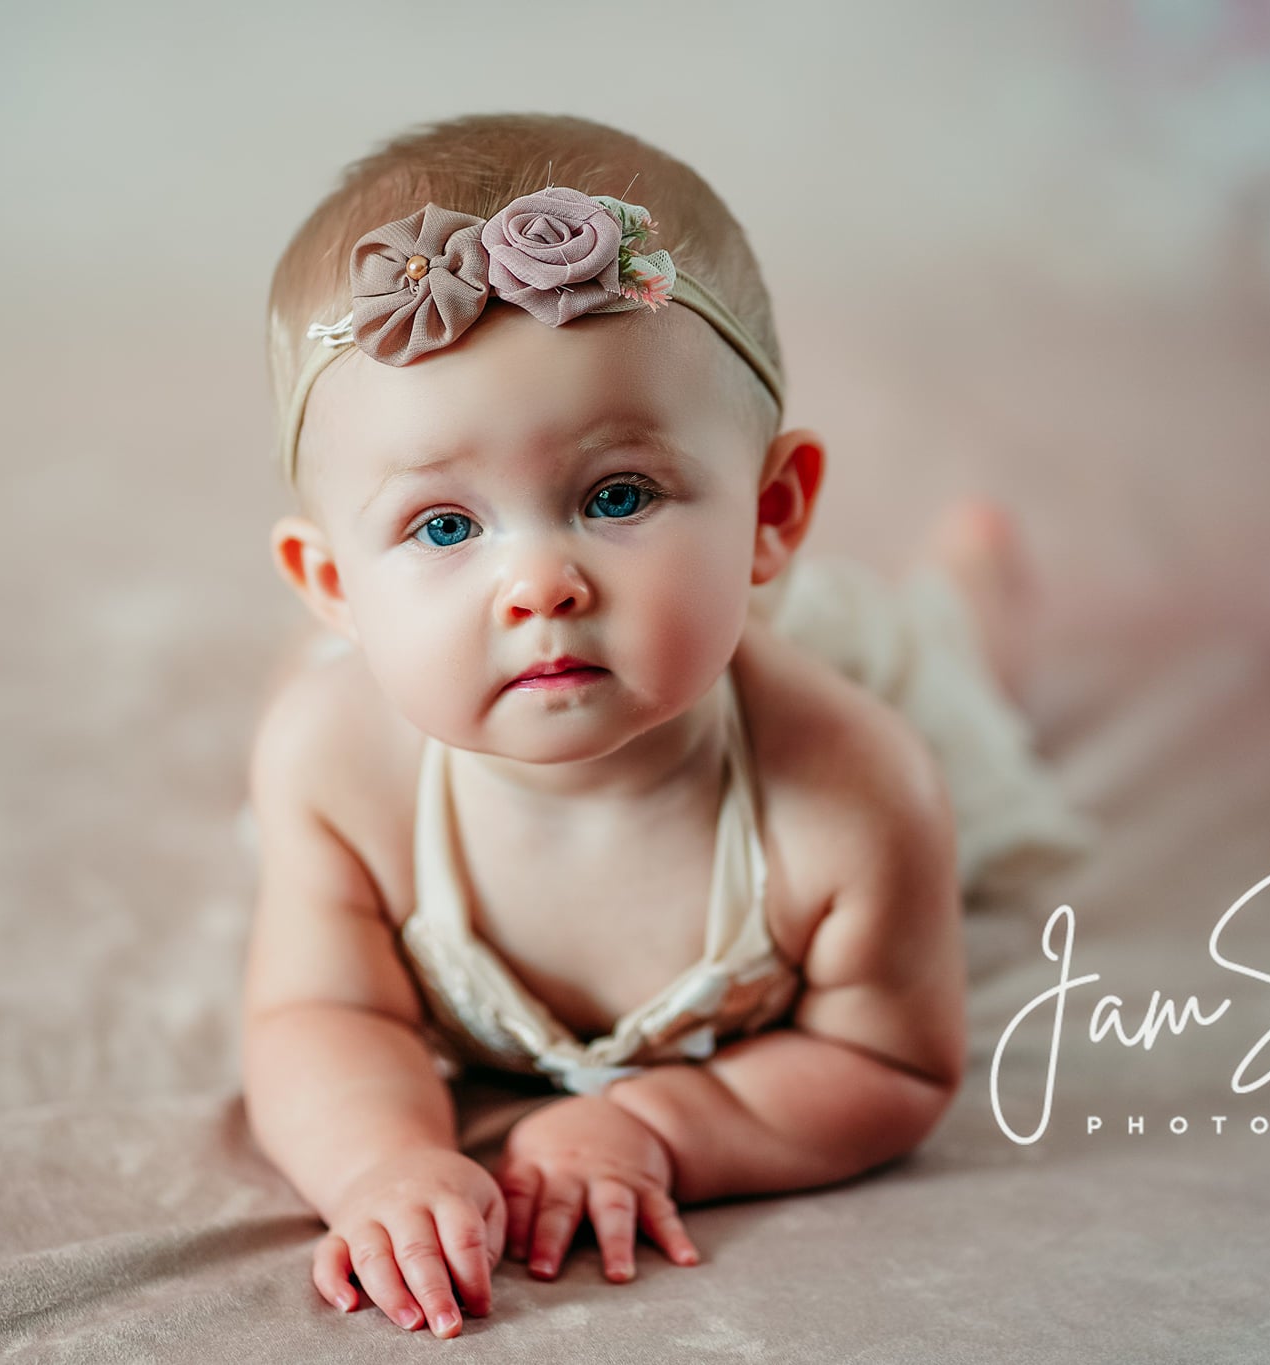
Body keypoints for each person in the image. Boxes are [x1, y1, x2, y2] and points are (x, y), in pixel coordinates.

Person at [239, 112, 1092, 1340]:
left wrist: (659, 1126)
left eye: (616, 495)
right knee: (309, 705)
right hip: (372, 693)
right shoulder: (336, 772)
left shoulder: (856, 791)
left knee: (947, 681)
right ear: (329, 584)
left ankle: (971, 592)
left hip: (788, 676)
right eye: (443, 526)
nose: (539, 585)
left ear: (769, 513)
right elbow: (321, 1015)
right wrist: (376, 1165)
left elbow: (890, 1066)